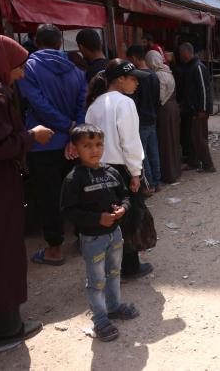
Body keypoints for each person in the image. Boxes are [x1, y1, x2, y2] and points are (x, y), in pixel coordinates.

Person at [60, 124, 140, 342]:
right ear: (75, 149)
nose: (94, 150)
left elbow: (125, 196)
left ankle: (113, 306)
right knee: (96, 280)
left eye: (98, 144)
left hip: (115, 235)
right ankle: (100, 319)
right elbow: (68, 210)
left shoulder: (112, 171)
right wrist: (97, 219)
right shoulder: (74, 179)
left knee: (114, 272)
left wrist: (123, 208)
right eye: (87, 145)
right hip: (92, 239)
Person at [0, 35, 52, 350]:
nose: (20, 75)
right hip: (1, 188)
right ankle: (7, 328)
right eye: (18, 67)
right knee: (5, 252)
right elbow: (2, 145)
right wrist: (31, 135)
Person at [19, 24, 87, 266]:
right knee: (76, 192)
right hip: (71, 144)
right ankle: (82, 239)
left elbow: (37, 104)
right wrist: (73, 133)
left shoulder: (28, 68)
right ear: (60, 43)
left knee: (48, 197)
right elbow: (82, 106)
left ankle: (55, 249)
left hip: (42, 144)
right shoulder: (78, 70)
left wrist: (67, 128)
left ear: (36, 42)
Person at [85, 59, 154, 280]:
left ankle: (108, 267)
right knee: (128, 217)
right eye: (133, 78)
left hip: (98, 169)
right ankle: (130, 267)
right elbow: (130, 142)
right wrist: (136, 172)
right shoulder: (124, 103)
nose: (136, 83)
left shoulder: (94, 105)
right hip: (121, 169)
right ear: (120, 79)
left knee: (109, 220)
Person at [127, 45, 162, 193]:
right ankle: (157, 181)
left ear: (134, 58)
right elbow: (157, 100)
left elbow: (135, 100)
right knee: (153, 151)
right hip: (152, 117)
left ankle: (150, 184)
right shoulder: (154, 75)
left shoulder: (137, 77)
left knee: (143, 153)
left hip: (141, 119)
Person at [178, 42, 215, 172]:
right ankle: (194, 162)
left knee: (199, 138)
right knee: (192, 137)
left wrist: (203, 109)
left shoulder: (198, 67)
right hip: (191, 109)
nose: (180, 56)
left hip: (199, 110)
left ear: (186, 52)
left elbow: (204, 90)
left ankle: (208, 165)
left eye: (181, 54)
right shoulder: (188, 67)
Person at [146, 50, 181, 184]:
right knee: (173, 141)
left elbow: (160, 97)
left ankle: (169, 174)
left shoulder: (159, 75)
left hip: (165, 110)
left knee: (165, 142)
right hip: (172, 108)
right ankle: (175, 171)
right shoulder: (167, 71)